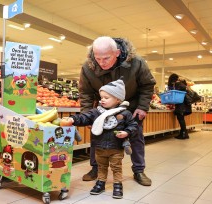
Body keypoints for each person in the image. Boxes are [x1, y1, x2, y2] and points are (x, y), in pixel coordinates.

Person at [78, 36, 156, 186]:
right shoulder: (88, 67)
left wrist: (142, 106)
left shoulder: (137, 63)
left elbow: (147, 85)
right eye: (98, 58)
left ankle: (139, 170)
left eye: (106, 58)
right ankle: (96, 168)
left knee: (136, 137)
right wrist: (87, 113)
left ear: (118, 53)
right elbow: (85, 92)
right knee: (97, 137)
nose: (101, 63)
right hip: (101, 107)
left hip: (130, 106)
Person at [65, 78, 137, 199]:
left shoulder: (125, 113)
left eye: (106, 97)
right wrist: (73, 119)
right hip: (99, 146)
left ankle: (117, 184)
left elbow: (133, 126)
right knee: (101, 167)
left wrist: (126, 132)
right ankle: (101, 183)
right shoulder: (96, 112)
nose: (102, 100)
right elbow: (85, 117)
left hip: (116, 147)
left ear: (118, 99)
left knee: (116, 167)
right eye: (101, 97)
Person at [167, 73, 192, 139]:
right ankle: (183, 133)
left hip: (181, 105)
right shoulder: (183, 84)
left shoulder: (177, 84)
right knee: (181, 119)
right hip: (184, 104)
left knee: (181, 119)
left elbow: (175, 95)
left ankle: (184, 134)